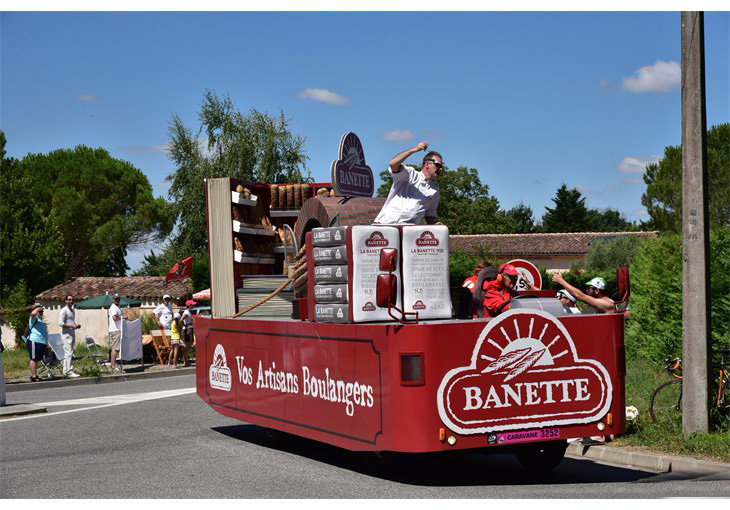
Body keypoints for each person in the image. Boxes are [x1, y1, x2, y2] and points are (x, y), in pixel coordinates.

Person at [373, 141, 443, 225]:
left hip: (409, 231)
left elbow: (430, 215)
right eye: (438, 165)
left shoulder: (434, 190)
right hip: (385, 224)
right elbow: (393, 164)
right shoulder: (410, 173)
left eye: (441, 166)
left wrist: (436, 224)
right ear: (427, 164)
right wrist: (414, 150)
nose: (441, 169)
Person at [58, 294, 81, 378]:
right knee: (69, 352)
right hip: (66, 334)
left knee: (69, 352)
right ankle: (69, 371)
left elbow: (71, 322)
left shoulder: (72, 311)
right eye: (69, 299)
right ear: (66, 301)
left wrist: (75, 325)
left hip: (71, 333)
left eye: (72, 300)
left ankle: (66, 370)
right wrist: (72, 326)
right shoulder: (64, 310)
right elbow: (60, 323)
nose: (71, 301)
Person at [27, 304, 49, 382]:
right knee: (34, 359)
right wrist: (38, 307)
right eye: (40, 311)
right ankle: (34, 376)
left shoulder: (40, 320)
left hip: (41, 342)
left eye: (42, 311)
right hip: (34, 341)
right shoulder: (33, 318)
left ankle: (35, 375)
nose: (41, 312)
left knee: (37, 359)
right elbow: (32, 313)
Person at [108, 294, 123, 371]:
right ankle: (113, 366)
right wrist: (123, 317)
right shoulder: (113, 307)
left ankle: (113, 364)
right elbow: (114, 317)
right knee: (115, 348)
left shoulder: (118, 307)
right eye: (116, 299)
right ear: (113, 299)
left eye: (118, 299)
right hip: (115, 330)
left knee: (116, 348)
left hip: (118, 329)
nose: (117, 300)